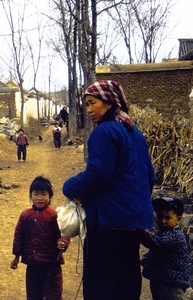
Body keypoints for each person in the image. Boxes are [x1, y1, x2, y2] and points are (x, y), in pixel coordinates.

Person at [62, 80, 156, 300]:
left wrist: (69, 187)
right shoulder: (134, 133)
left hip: (108, 224)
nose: (89, 110)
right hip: (132, 224)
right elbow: (149, 176)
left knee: (101, 286)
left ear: (109, 101)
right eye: (86, 105)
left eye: (92, 103)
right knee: (127, 282)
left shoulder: (104, 132)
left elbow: (98, 174)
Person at [11, 176, 70, 300]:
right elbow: (19, 235)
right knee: (33, 295)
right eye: (36, 194)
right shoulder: (25, 215)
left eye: (43, 194)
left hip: (52, 267)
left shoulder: (54, 215)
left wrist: (62, 243)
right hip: (32, 266)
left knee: (53, 296)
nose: (39, 198)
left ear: (50, 196)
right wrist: (16, 256)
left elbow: (63, 233)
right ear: (31, 195)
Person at [140, 197, 190, 300]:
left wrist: (138, 232)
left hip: (172, 284)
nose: (162, 221)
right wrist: (147, 259)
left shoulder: (176, 235)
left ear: (178, 219)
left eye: (167, 218)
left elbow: (155, 243)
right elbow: (159, 252)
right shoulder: (163, 232)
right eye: (159, 217)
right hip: (161, 280)